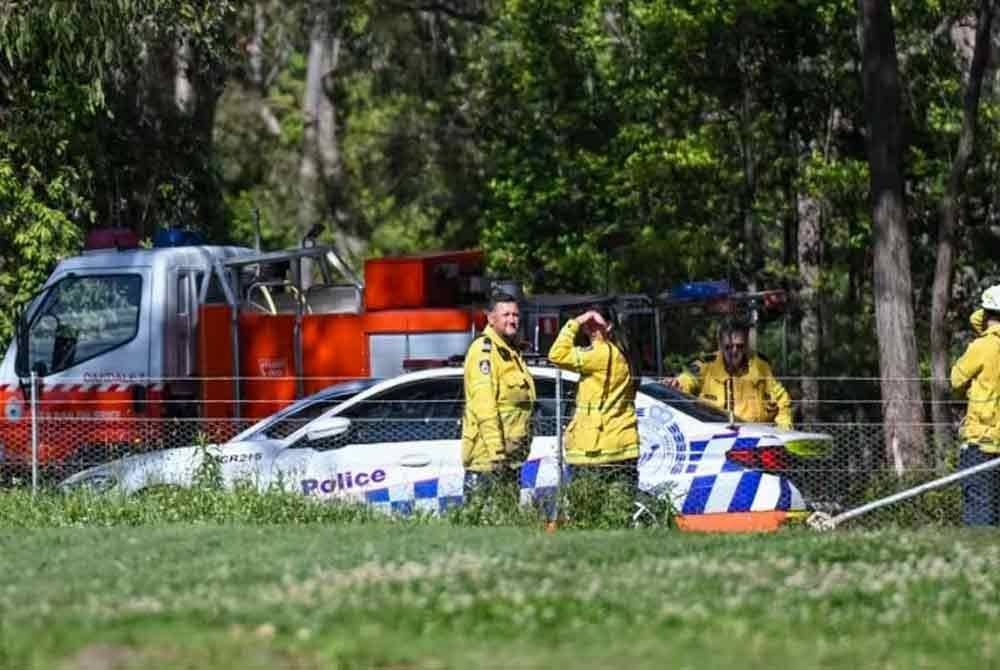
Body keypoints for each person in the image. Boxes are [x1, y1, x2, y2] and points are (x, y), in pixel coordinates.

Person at [547, 306, 640, 496]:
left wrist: (576, 322)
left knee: (588, 511)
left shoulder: (600, 353)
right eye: (587, 324)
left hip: (596, 448)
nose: (589, 328)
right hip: (622, 445)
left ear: (609, 326)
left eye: (594, 323)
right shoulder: (623, 352)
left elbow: (556, 354)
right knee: (618, 509)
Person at [460, 292, 536, 498]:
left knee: (506, 526)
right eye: (506, 315)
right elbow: (485, 407)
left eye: (516, 315)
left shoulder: (510, 353)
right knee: (480, 526)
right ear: (491, 319)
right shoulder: (484, 352)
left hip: (510, 459)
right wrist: (497, 454)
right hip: (488, 461)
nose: (513, 320)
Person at [665, 318, 793, 429]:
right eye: (728, 347)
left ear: (747, 345)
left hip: (756, 441)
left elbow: (782, 399)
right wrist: (677, 383)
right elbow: (688, 379)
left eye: (740, 346)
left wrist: (783, 429)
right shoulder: (706, 365)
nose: (734, 351)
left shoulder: (761, 366)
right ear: (720, 345)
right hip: (716, 441)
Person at [950, 285, 1000, 526]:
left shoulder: (981, 347)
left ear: (987, 313)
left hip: (981, 442)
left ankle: (980, 561)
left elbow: (955, 379)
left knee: (978, 506)